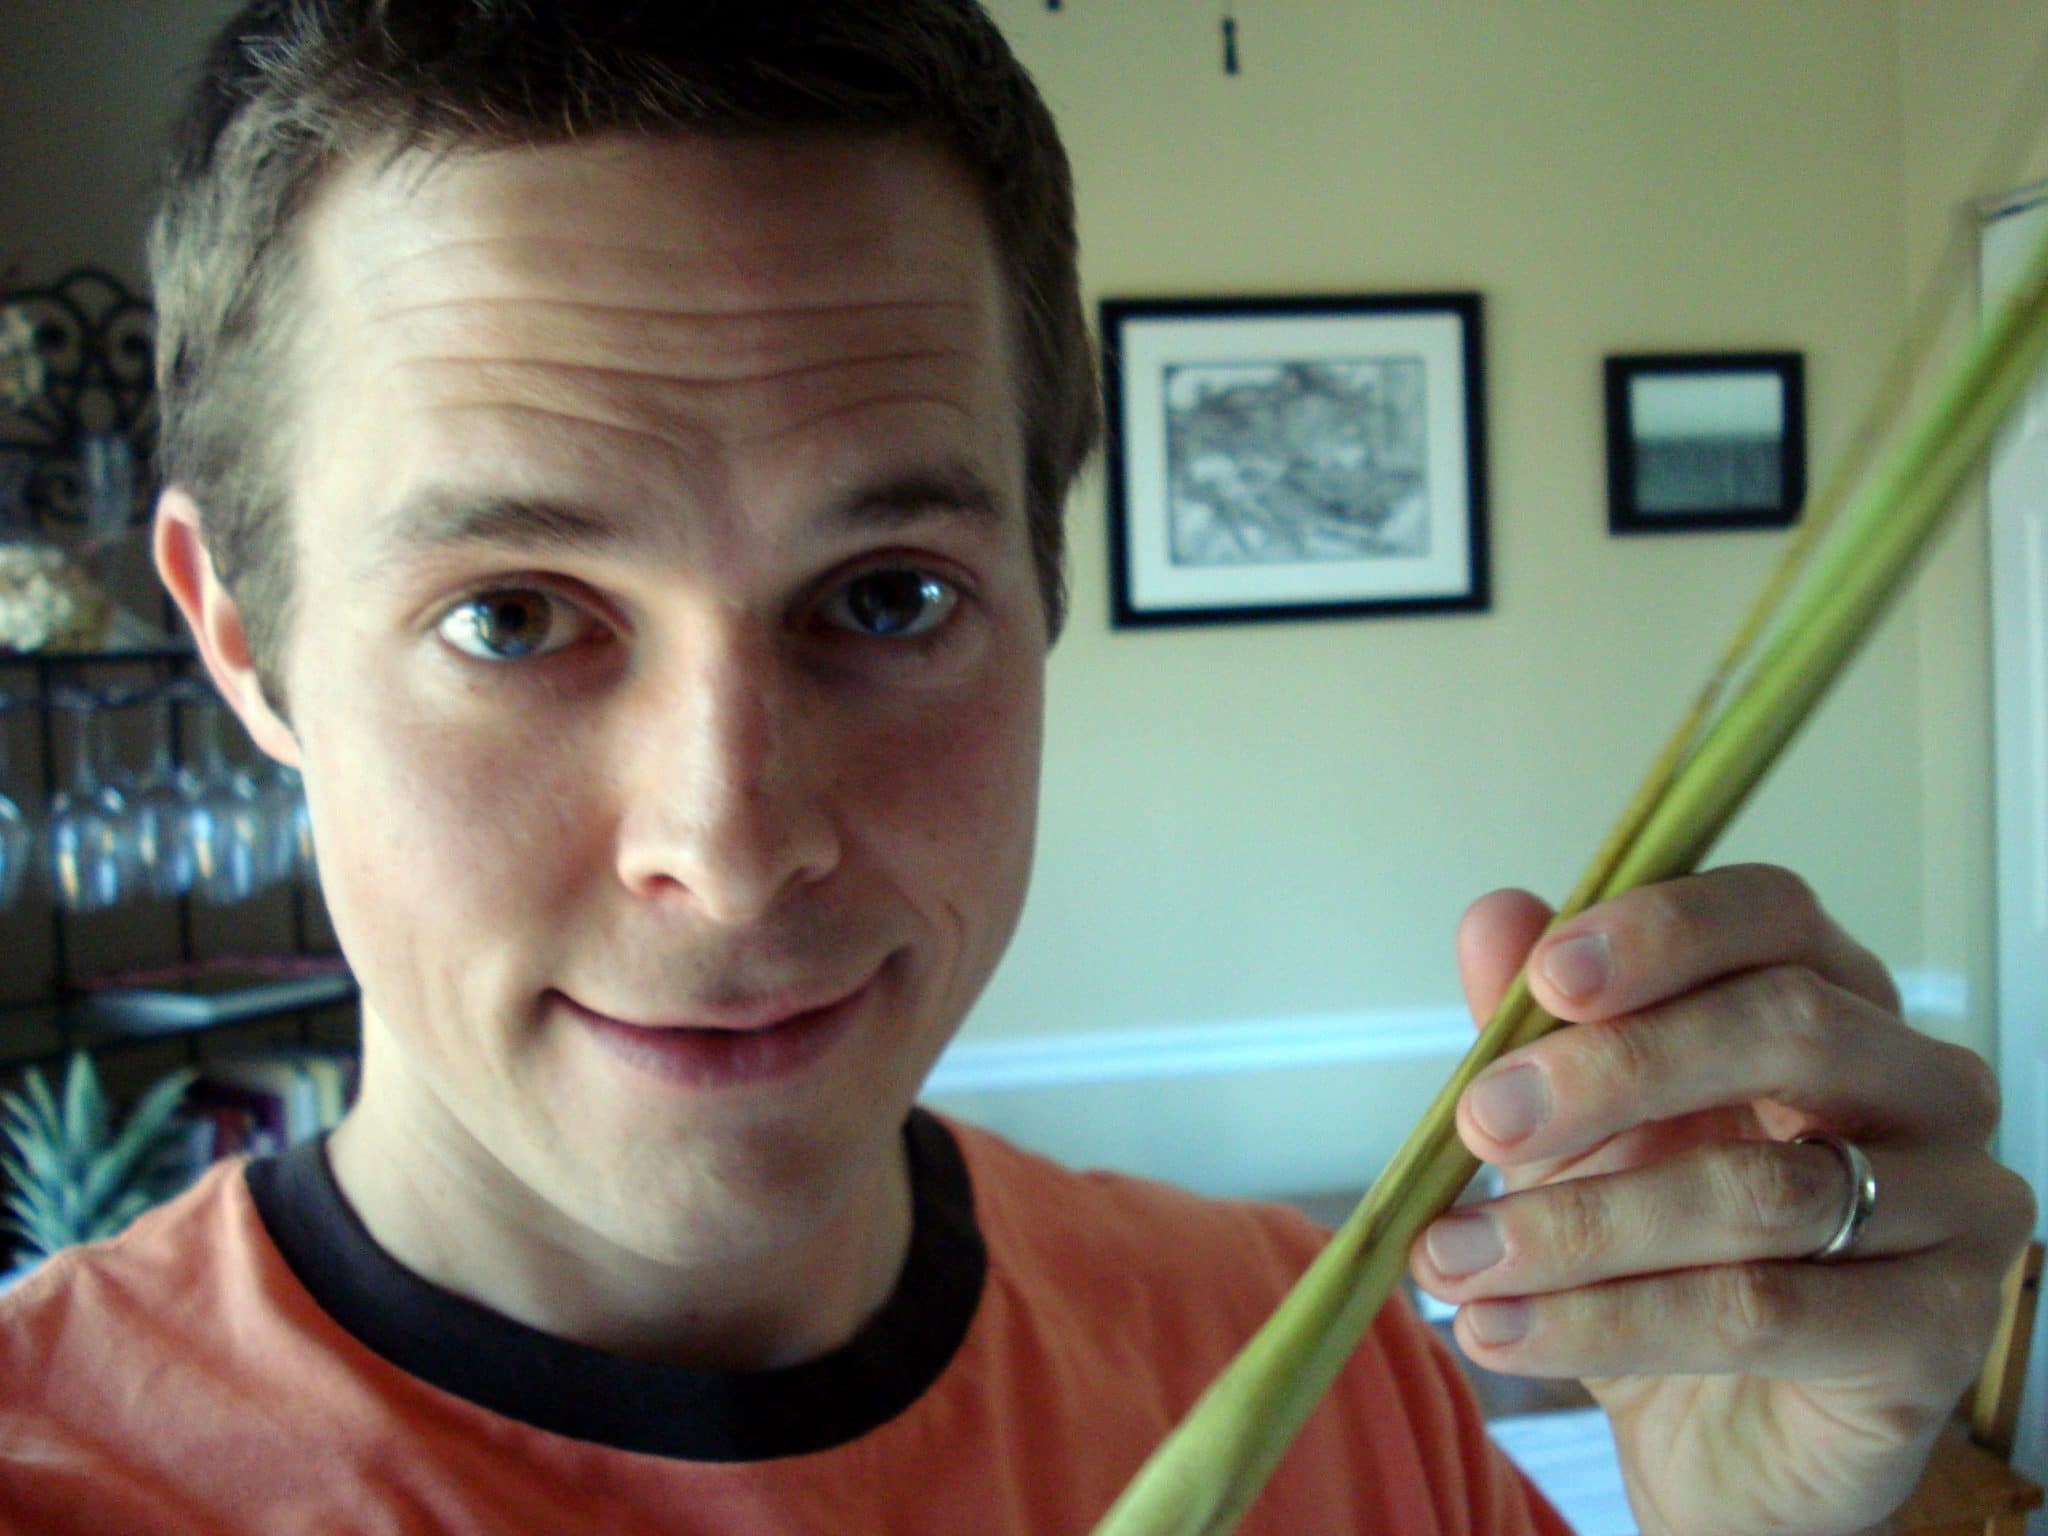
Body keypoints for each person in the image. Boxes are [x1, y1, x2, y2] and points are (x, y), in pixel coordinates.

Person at [0, 4, 2033, 1532]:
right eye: (511, 617)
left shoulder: (1313, 1377)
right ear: (241, 632)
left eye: (883, 597)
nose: (731, 843)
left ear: (1045, 588)